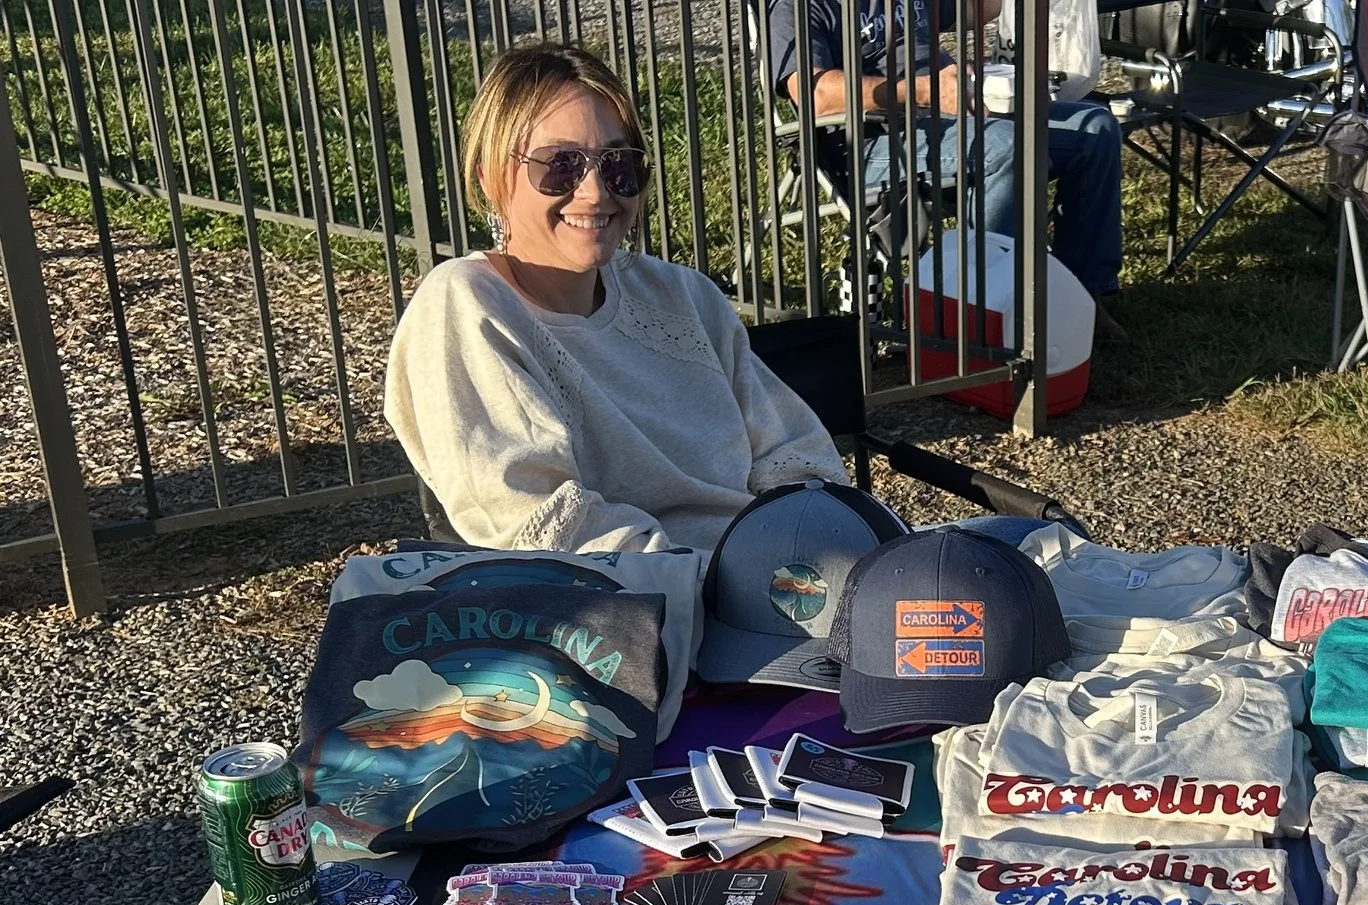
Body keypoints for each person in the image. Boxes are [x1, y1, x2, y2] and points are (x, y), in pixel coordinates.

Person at [383, 45, 847, 554]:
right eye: (561, 165)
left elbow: (798, 454)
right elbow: (537, 519)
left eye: (618, 164)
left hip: (775, 578)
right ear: (491, 176)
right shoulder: (467, 306)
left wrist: (809, 551)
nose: (596, 192)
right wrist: (712, 580)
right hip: (625, 609)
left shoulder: (684, 296)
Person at [766, 0, 1124, 303]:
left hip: (955, 115)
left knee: (1094, 127)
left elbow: (976, 9)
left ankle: (1087, 295)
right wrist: (924, 91)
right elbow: (816, 95)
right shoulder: (794, 7)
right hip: (873, 141)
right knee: (1006, 145)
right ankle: (986, 308)